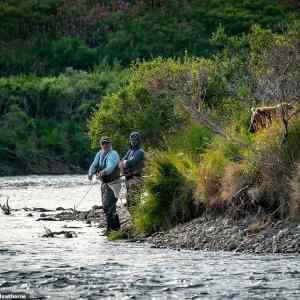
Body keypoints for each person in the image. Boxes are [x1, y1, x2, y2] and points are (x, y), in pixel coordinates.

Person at [88, 136, 121, 233]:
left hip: (114, 184)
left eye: (107, 143)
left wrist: (103, 172)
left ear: (110, 144)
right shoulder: (99, 154)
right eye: (103, 143)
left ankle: (115, 229)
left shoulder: (113, 154)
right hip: (104, 183)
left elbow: (110, 167)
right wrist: (90, 173)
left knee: (109, 205)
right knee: (105, 207)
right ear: (101, 144)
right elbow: (94, 165)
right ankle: (110, 229)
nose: (105, 145)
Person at [119, 132, 145, 208]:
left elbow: (130, 162)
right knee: (129, 203)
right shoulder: (130, 151)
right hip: (128, 179)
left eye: (135, 140)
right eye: (132, 140)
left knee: (134, 202)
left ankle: (137, 218)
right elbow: (121, 162)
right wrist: (124, 162)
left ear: (138, 141)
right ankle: (134, 218)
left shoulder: (140, 152)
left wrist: (125, 162)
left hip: (136, 179)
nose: (133, 142)